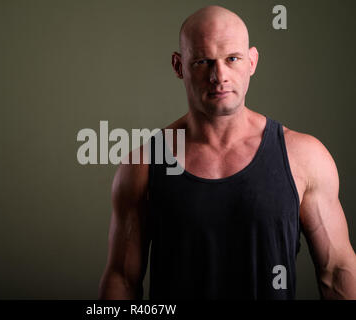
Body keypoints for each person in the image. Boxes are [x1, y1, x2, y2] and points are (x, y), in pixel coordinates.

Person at [98, 5, 356, 299]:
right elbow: (122, 280)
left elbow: (336, 271)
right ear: (178, 65)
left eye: (232, 58)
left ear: (252, 62)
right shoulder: (144, 164)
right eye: (203, 61)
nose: (219, 75)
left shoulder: (305, 156)